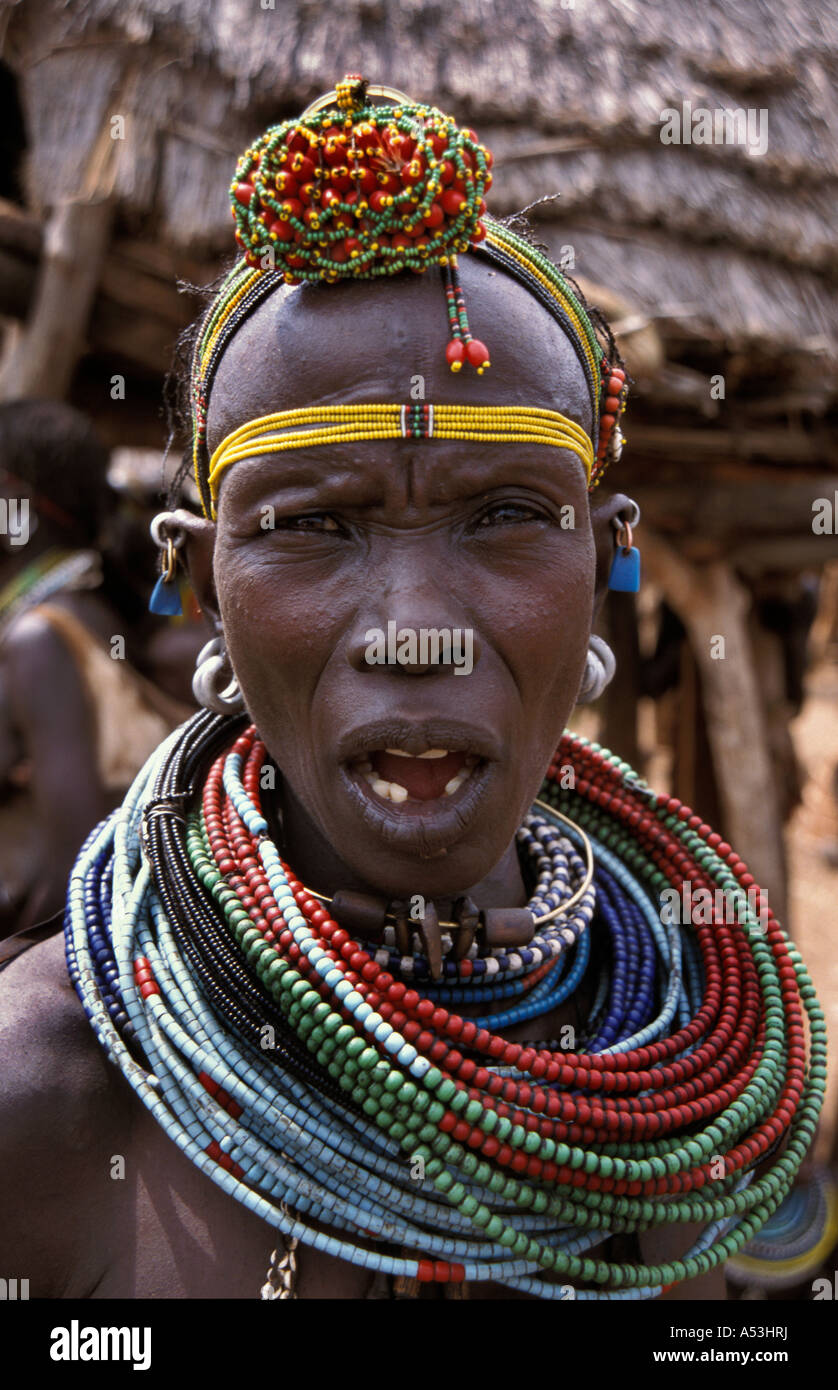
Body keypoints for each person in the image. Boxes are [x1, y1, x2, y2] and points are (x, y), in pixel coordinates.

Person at [0, 78, 825, 1300]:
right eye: (315, 525)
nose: (418, 632)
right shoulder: (48, 1099)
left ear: (604, 560)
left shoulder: (714, 1077)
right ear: (201, 582)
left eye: (503, 516)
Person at [0, 400, 190, 935]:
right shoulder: (82, 613)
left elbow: (76, 866)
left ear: (15, 497)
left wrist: (13, 969)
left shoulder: (45, 636)